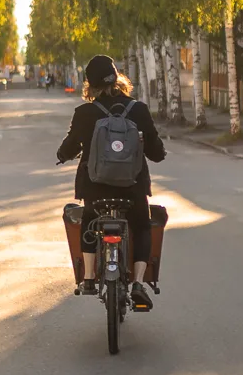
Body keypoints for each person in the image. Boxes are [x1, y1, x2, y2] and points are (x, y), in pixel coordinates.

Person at [56, 54, 166, 309]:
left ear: (89, 85)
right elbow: (156, 152)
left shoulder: (84, 113)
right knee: (140, 225)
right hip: (133, 187)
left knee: (89, 221)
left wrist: (62, 155)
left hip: (95, 188)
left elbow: (70, 146)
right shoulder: (138, 109)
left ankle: (89, 278)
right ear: (118, 79)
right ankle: (138, 282)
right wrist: (158, 152)